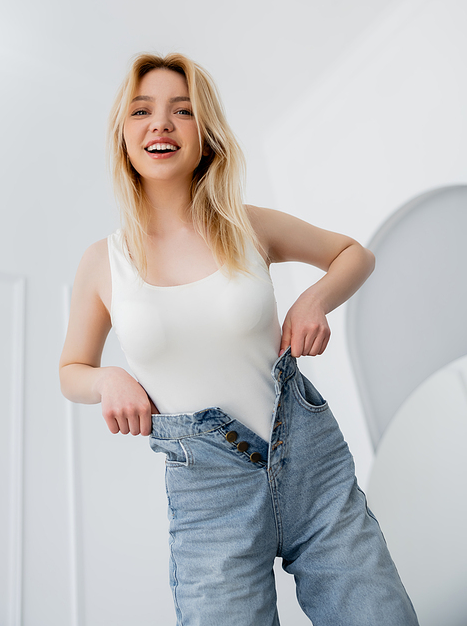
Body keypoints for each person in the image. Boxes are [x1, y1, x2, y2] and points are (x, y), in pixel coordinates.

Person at [59, 53, 419, 626]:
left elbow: (356, 255)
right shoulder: (103, 262)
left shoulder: (246, 224)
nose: (161, 123)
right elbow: (71, 369)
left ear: (205, 132)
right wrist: (107, 377)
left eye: (183, 110)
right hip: (208, 492)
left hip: (309, 460)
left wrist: (313, 298)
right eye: (142, 111)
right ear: (123, 135)